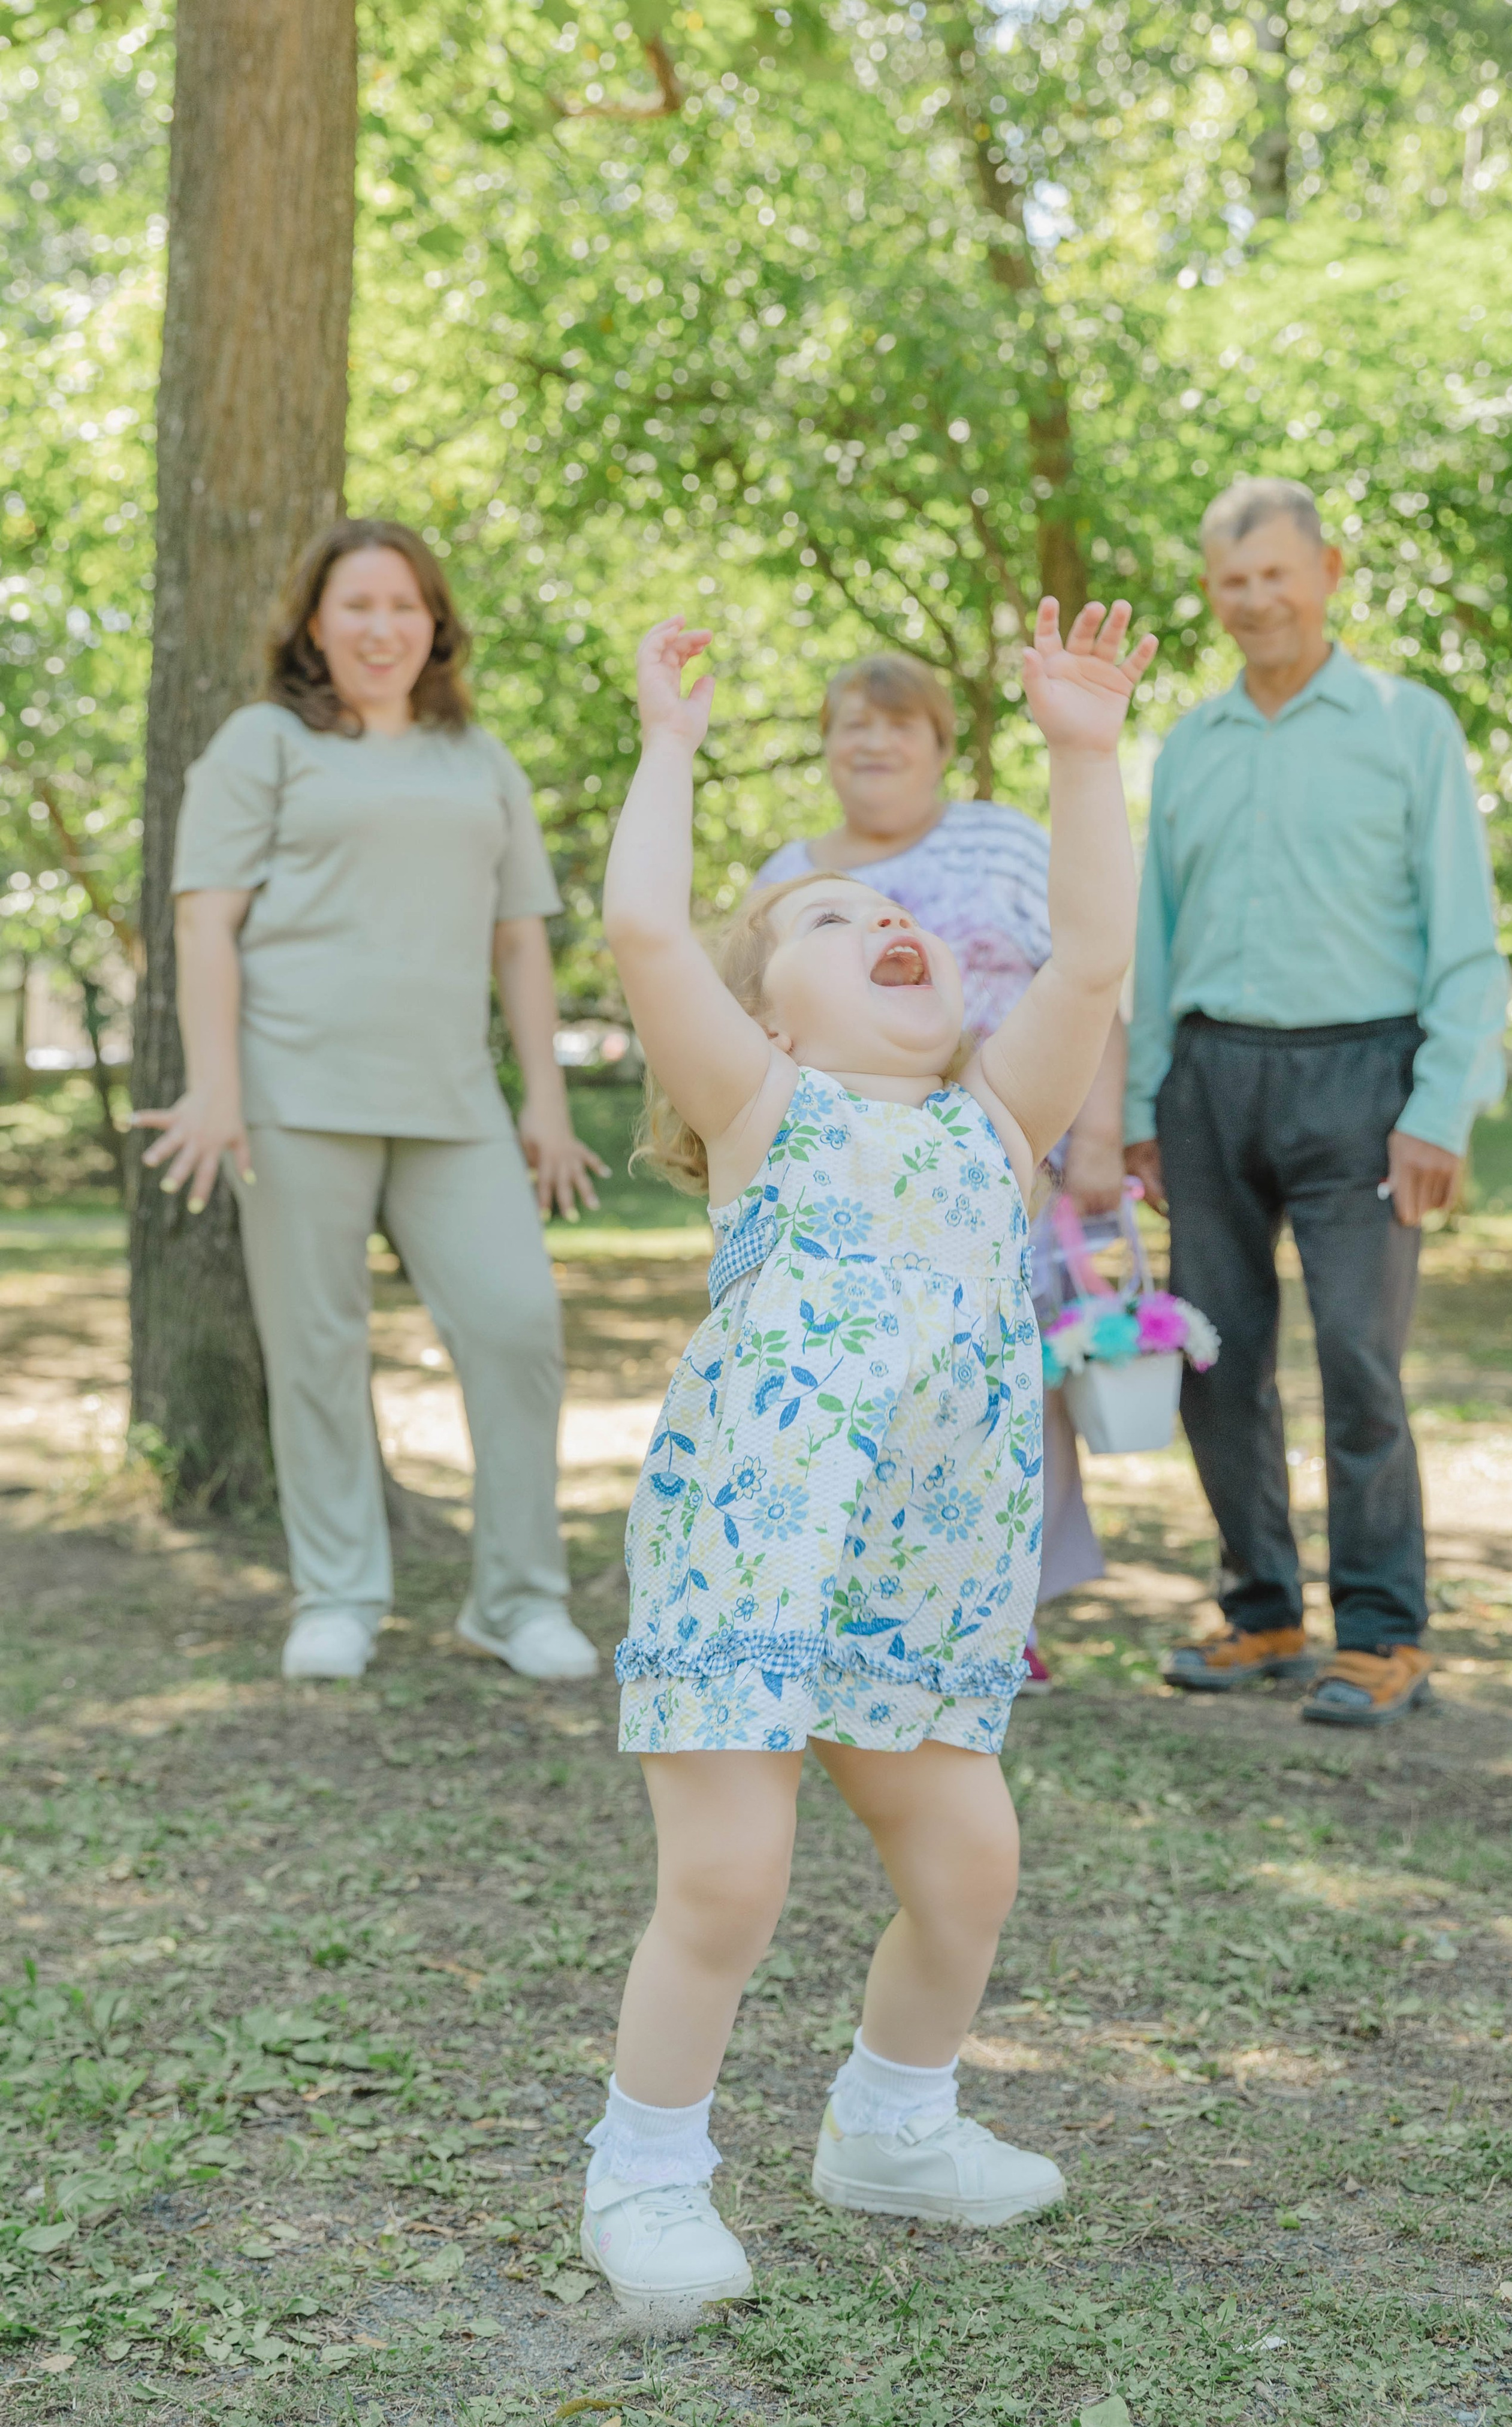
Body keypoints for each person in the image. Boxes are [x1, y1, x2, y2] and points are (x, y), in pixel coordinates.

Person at [584, 593, 1155, 2324]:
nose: (881, 915)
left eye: (894, 909)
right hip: (753, 1549)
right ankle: (646, 2174)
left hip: (924, 1575)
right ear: (768, 1018)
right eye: (830, 918)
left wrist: (1081, 754)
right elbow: (644, 929)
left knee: (969, 1864)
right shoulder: (770, 1112)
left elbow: (1091, 959)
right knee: (727, 1878)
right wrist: (668, 747)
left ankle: (894, 2122)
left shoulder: (998, 1124)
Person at [134, 518, 608, 1685]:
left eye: (404, 605)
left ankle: (519, 1600)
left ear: (435, 623)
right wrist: (215, 1085)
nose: (382, 627)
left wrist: (545, 1102)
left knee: (516, 1326)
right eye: (356, 605)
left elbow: (519, 940)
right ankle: (339, 1595)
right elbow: (205, 921)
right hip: (294, 1091)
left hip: (456, 1102)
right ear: (313, 624)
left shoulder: (477, 757)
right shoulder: (263, 742)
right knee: (317, 1349)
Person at [1124, 477, 1508, 1727]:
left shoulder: (1407, 725)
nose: (1255, 601)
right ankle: (1263, 1612)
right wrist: (1140, 1105)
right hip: (1208, 1078)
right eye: (1231, 582)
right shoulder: (1189, 743)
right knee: (1214, 1359)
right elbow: (1153, 940)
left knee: (1357, 1358)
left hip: (1365, 1079)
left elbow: (1465, 937)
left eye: (1275, 575)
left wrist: (1439, 1106)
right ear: (1211, 592)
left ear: (1327, 573)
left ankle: (1383, 1634)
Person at [755, 653, 1128, 1646]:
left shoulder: (1000, 843)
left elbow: (1088, 972)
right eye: (854, 723)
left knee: (1012, 1383)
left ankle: (1008, 1610)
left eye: (900, 724)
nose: (875, 742)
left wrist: (1095, 1135)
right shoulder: (786, 876)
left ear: (940, 745)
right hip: (845, 1193)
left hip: (1009, 1158)